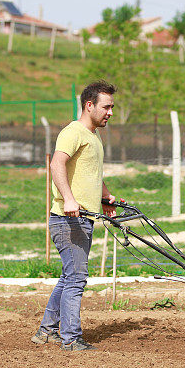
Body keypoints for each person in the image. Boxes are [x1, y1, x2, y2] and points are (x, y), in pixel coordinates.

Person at [31, 80, 117, 351]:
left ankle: (47, 331)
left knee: (69, 276)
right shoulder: (74, 132)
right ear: (89, 105)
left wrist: (105, 196)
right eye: (106, 107)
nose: (110, 113)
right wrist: (68, 198)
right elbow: (57, 164)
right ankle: (71, 339)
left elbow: (91, 173)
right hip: (68, 219)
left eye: (112, 107)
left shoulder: (94, 135)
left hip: (83, 218)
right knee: (77, 278)